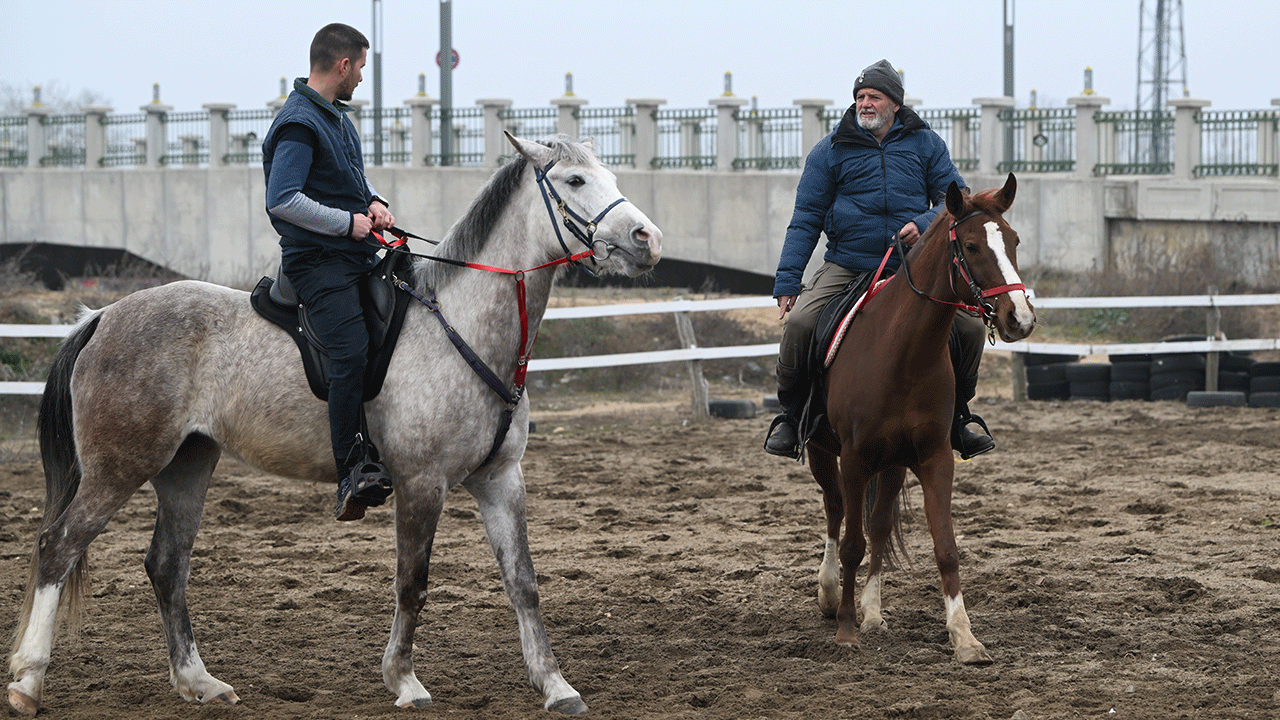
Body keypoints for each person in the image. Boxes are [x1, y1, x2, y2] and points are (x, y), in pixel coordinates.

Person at [763, 59, 994, 461]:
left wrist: (923, 223)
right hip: (848, 264)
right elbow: (805, 220)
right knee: (800, 324)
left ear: (895, 104)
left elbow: (954, 198)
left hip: (911, 266)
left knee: (972, 330)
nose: (864, 104)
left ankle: (959, 415)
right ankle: (791, 415)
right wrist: (787, 282)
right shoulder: (830, 150)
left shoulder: (927, 144)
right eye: (859, 97)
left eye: (874, 96)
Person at [262, 23, 396, 521]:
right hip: (317, 263)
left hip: (351, 252)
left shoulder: (336, 118)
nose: (361, 77)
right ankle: (350, 472)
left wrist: (374, 202)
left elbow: (349, 179)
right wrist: (349, 223)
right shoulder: (298, 123)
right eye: (360, 67)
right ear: (342, 65)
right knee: (351, 350)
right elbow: (284, 199)